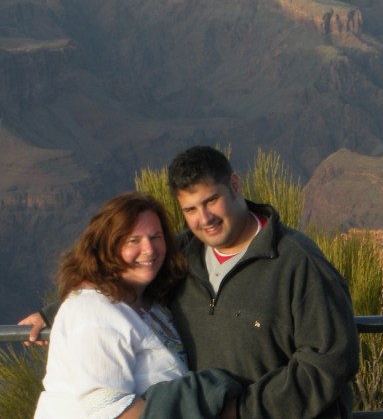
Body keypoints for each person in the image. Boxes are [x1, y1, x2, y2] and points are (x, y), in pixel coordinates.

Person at [21, 146, 360, 419]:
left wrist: (243, 412)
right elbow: (128, 282)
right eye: (190, 209)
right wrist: (57, 311)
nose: (205, 218)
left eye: (211, 200)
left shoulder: (297, 262)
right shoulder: (183, 255)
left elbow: (329, 361)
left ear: (236, 185)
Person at [32, 191, 242, 419]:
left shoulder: (149, 303)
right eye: (134, 240)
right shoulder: (93, 312)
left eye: (155, 237)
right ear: (107, 246)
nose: (149, 250)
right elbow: (109, 408)